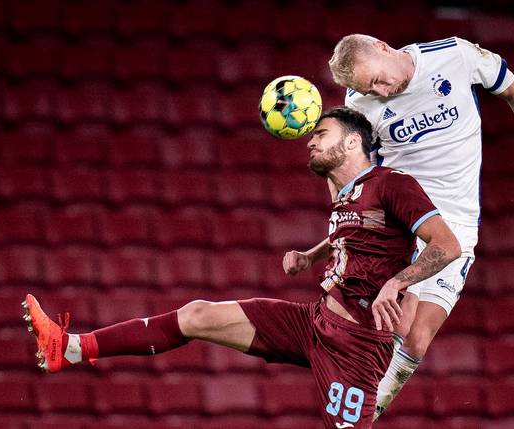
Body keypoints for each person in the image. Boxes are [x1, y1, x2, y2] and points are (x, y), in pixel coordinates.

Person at [23, 107, 461, 428]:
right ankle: (71, 348)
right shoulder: (347, 196)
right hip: (314, 322)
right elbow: (358, 236)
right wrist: (313, 256)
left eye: (321, 133)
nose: (309, 141)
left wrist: (395, 284)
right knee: (197, 314)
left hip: (358, 346)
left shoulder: (393, 185)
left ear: (352, 142)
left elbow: (447, 244)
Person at [288, 34, 514, 420]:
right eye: (368, 89)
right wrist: (337, 229)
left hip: (458, 222)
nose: (379, 91)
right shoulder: (359, 105)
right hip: (404, 220)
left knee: (417, 339)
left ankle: (357, 410)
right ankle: (355, 416)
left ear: (381, 46)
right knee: (401, 321)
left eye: (377, 80)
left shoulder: (454, 56)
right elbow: (351, 178)